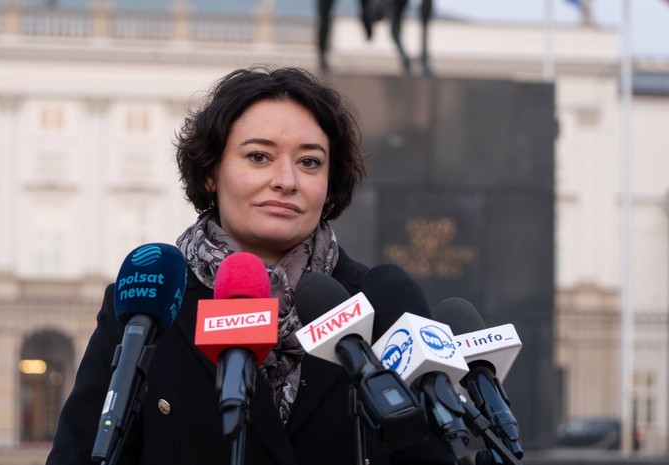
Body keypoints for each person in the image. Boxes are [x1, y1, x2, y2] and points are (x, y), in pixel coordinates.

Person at [46, 66, 454, 465]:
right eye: (259, 156)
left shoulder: (378, 304)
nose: (286, 180)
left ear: (330, 183)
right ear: (211, 172)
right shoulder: (150, 304)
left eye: (310, 162)